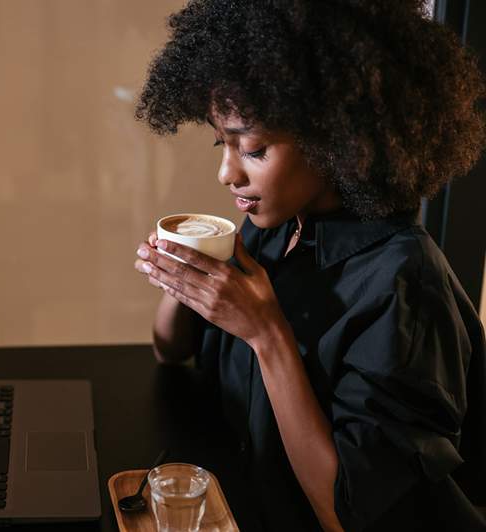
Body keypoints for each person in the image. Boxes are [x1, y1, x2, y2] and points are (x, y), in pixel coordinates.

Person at [132, 1, 486, 530]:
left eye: (251, 148)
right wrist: (182, 270)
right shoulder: (276, 230)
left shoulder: (404, 286)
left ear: (334, 141)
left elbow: (344, 514)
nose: (227, 172)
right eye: (220, 142)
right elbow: (171, 351)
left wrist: (267, 334)